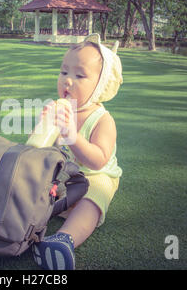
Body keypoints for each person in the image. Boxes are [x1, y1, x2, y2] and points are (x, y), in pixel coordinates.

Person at [32, 33, 123, 270]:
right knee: (34, 182)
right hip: (64, 178)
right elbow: (42, 151)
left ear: (99, 86)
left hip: (93, 177)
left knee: (93, 198)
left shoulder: (103, 120)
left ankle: (64, 239)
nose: (67, 81)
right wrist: (42, 127)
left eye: (79, 75)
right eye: (63, 72)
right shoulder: (59, 110)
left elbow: (98, 161)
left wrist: (72, 134)